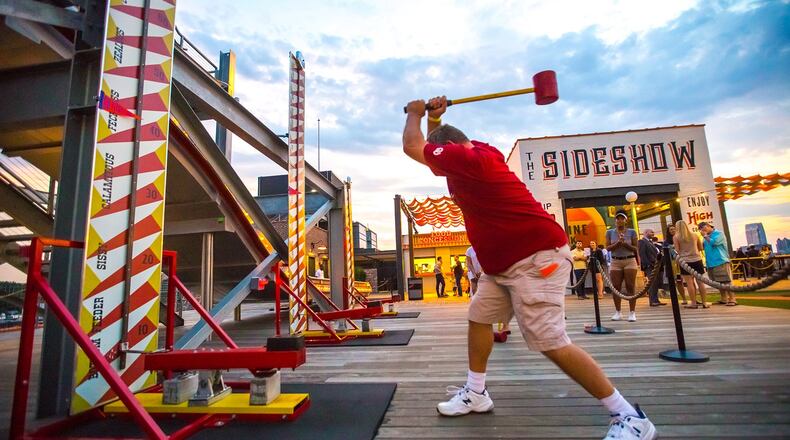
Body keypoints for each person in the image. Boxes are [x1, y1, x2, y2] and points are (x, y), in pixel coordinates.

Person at [402, 96, 656, 439]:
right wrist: (435, 119)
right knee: (479, 318)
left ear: (449, 149)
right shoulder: (471, 152)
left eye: (440, 156)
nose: (437, 167)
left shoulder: (469, 159)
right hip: (503, 265)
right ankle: (476, 393)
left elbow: (412, 146)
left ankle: (629, 416)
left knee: (550, 341)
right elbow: (433, 149)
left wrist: (416, 114)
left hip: (536, 258)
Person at [606, 210, 640, 322]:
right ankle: (618, 312)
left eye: (622, 218)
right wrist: (618, 243)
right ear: (615, 221)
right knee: (616, 287)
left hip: (629, 259)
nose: (619, 221)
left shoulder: (632, 232)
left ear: (626, 220)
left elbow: (636, 248)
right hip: (616, 261)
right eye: (617, 219)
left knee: (630, 286)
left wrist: (625, 244)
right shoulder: (610, 232)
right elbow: (608, 248)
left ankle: (632, 312)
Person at [698, 222, 736, 306]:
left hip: (721, 260)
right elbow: (702, 247)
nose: (703, 231)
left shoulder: (719, 233)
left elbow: (714, 243)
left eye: (704, 228)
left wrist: (705, 236)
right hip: (710, 262)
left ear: (708, 226)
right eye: (701, 229)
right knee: (718, 282)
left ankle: (732, 299)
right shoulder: (705, 237)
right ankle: (724, 298)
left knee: (726, 281)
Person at [673, 220, 708, 308]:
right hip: (697, 259)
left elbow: (677, 250)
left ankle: (693, 303)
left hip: (685, 261)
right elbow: (700, 248)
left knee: (690, 283)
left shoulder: (676, 237)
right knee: (700, 282)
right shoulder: (695, 235)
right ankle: (704, 303)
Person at [637, 229, 666, 307]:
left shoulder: (650, 242)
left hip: (655, 265)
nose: (653, 233)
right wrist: (647, 264)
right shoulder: (642, 242)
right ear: (646, 233)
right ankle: (653, 300)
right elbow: (642, 254)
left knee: (656, 283)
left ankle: (655, 299)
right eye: (651, 232)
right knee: (652, 283)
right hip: (650, 266)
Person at [664, 224, 688, 304]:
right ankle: (683, 298)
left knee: (689, 279)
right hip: (674, 262)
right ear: (668, 231)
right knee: (678, 281)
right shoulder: (666, 242)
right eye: (671, 230)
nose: (673, 231)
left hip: (684, 260)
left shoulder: (682, 238)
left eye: (674, 229)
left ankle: (693, 298)